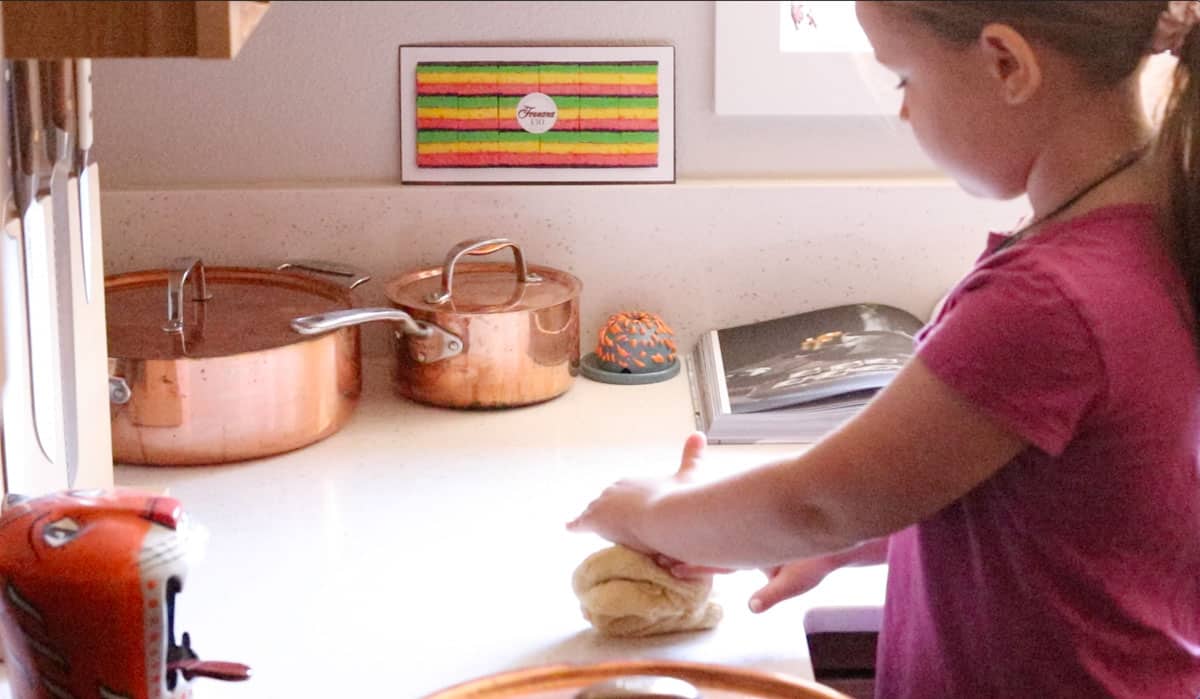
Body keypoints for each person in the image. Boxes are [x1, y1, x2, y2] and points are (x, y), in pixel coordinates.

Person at [567, 2, 1200, 697]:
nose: (902, 111)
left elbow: (815, 504)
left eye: (905, 79)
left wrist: (646, 512)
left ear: (1007, 65)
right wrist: (850, 543)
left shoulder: (1050, 301)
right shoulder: (1150, 232)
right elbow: (1062, 506)